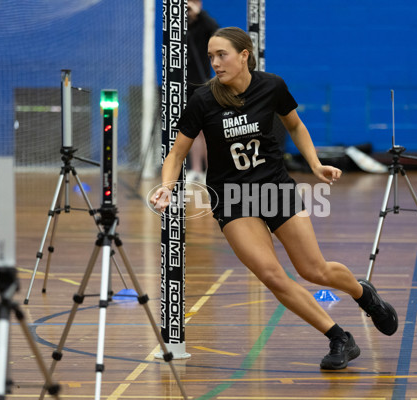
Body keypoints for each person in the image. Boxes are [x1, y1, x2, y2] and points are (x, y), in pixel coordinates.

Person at [150, 27, 398, 370]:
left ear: (244, 55)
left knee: (314, 270)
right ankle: (339, 337)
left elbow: (294, 125)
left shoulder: (271, 86)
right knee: (272, 274)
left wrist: (315, 164)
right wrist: (166, 185)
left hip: (274, 188)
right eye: (210, 57)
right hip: (232, 197)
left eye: (222, 55)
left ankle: (363, 293)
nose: (215, 63)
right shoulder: (203, 100)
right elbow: (177, 154)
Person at [186, 0, 218, 183]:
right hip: (186, 85)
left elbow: (216, 30)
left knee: (207, 130)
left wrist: (199, 14)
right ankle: (196, 169)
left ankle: (209, 170)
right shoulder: (182, 26)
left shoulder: (205, 24)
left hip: (203, 83)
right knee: (193, 130)